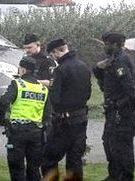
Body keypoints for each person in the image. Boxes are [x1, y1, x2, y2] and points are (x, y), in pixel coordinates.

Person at [42, 38, 91, 180]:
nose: (53, 58)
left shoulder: (61, 69)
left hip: (63, 121)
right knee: (74, 160)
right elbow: (88, 93)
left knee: (49, 159)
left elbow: (55, 99)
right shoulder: (84, 66)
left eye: (52, 55)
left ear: (57, 52)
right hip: (81, 118)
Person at [93, 31, 135, 181]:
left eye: (107, 44)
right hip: (113, 111)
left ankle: (124, 176)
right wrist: (98, 68)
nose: (105, 47)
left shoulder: (121, 61)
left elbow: (130, 90)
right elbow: (106, 82)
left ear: (116, 45)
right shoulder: (112, 59)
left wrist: (120, 106)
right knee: (109, 143)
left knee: (121, 147)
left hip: (121, 113)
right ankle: (114, 175)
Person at [0, 56, 49, 181]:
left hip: (17, 131)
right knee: (34, 168)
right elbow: (47, 113)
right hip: (36, 133)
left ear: (24, 70)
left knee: (16, 167)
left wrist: (1, 119)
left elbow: (4, 101)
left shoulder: (17, 84)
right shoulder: (43, 89)